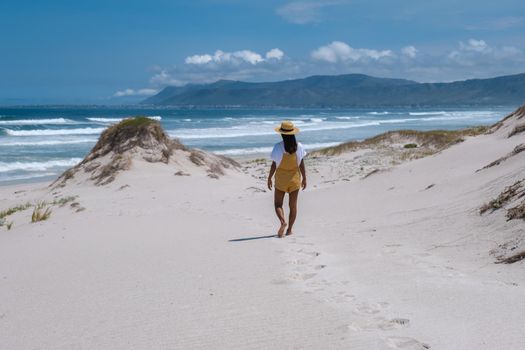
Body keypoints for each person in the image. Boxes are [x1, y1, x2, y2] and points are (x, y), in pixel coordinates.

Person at [267, 121, 307, 238]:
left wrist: (269, 178)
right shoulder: (299, 146)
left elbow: (274, 165)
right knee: (293, 206)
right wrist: (304, 178)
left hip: (281, 180)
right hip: (295, 179)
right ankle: (289, 230)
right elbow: (302, 164)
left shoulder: (278, 147)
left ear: (282, 134)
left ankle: (282, 221)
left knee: (278, 204)